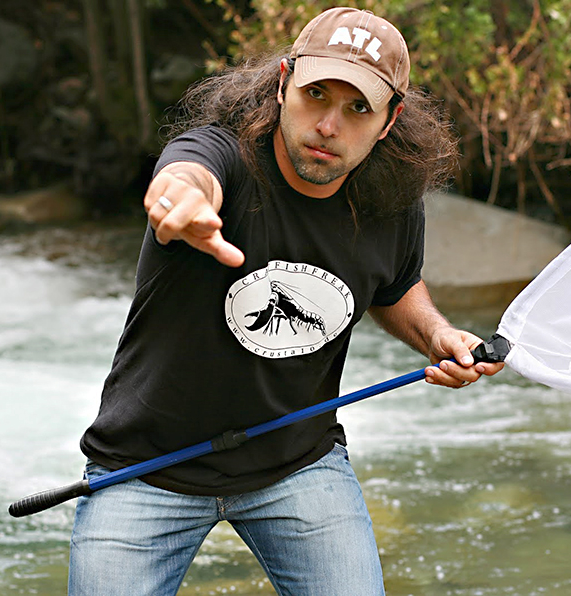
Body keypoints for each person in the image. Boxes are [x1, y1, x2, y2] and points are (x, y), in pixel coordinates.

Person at [69, 7, 504, 595]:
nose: (328, 125)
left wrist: (436, 335)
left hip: (298, 465)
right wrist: (180, 198)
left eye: (358, 108)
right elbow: (187, 175)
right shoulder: (222, 154)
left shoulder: (391, 199)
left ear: (389, 121)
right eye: (316, 94)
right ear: (282, 84)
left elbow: (395, 285)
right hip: (146, 467)